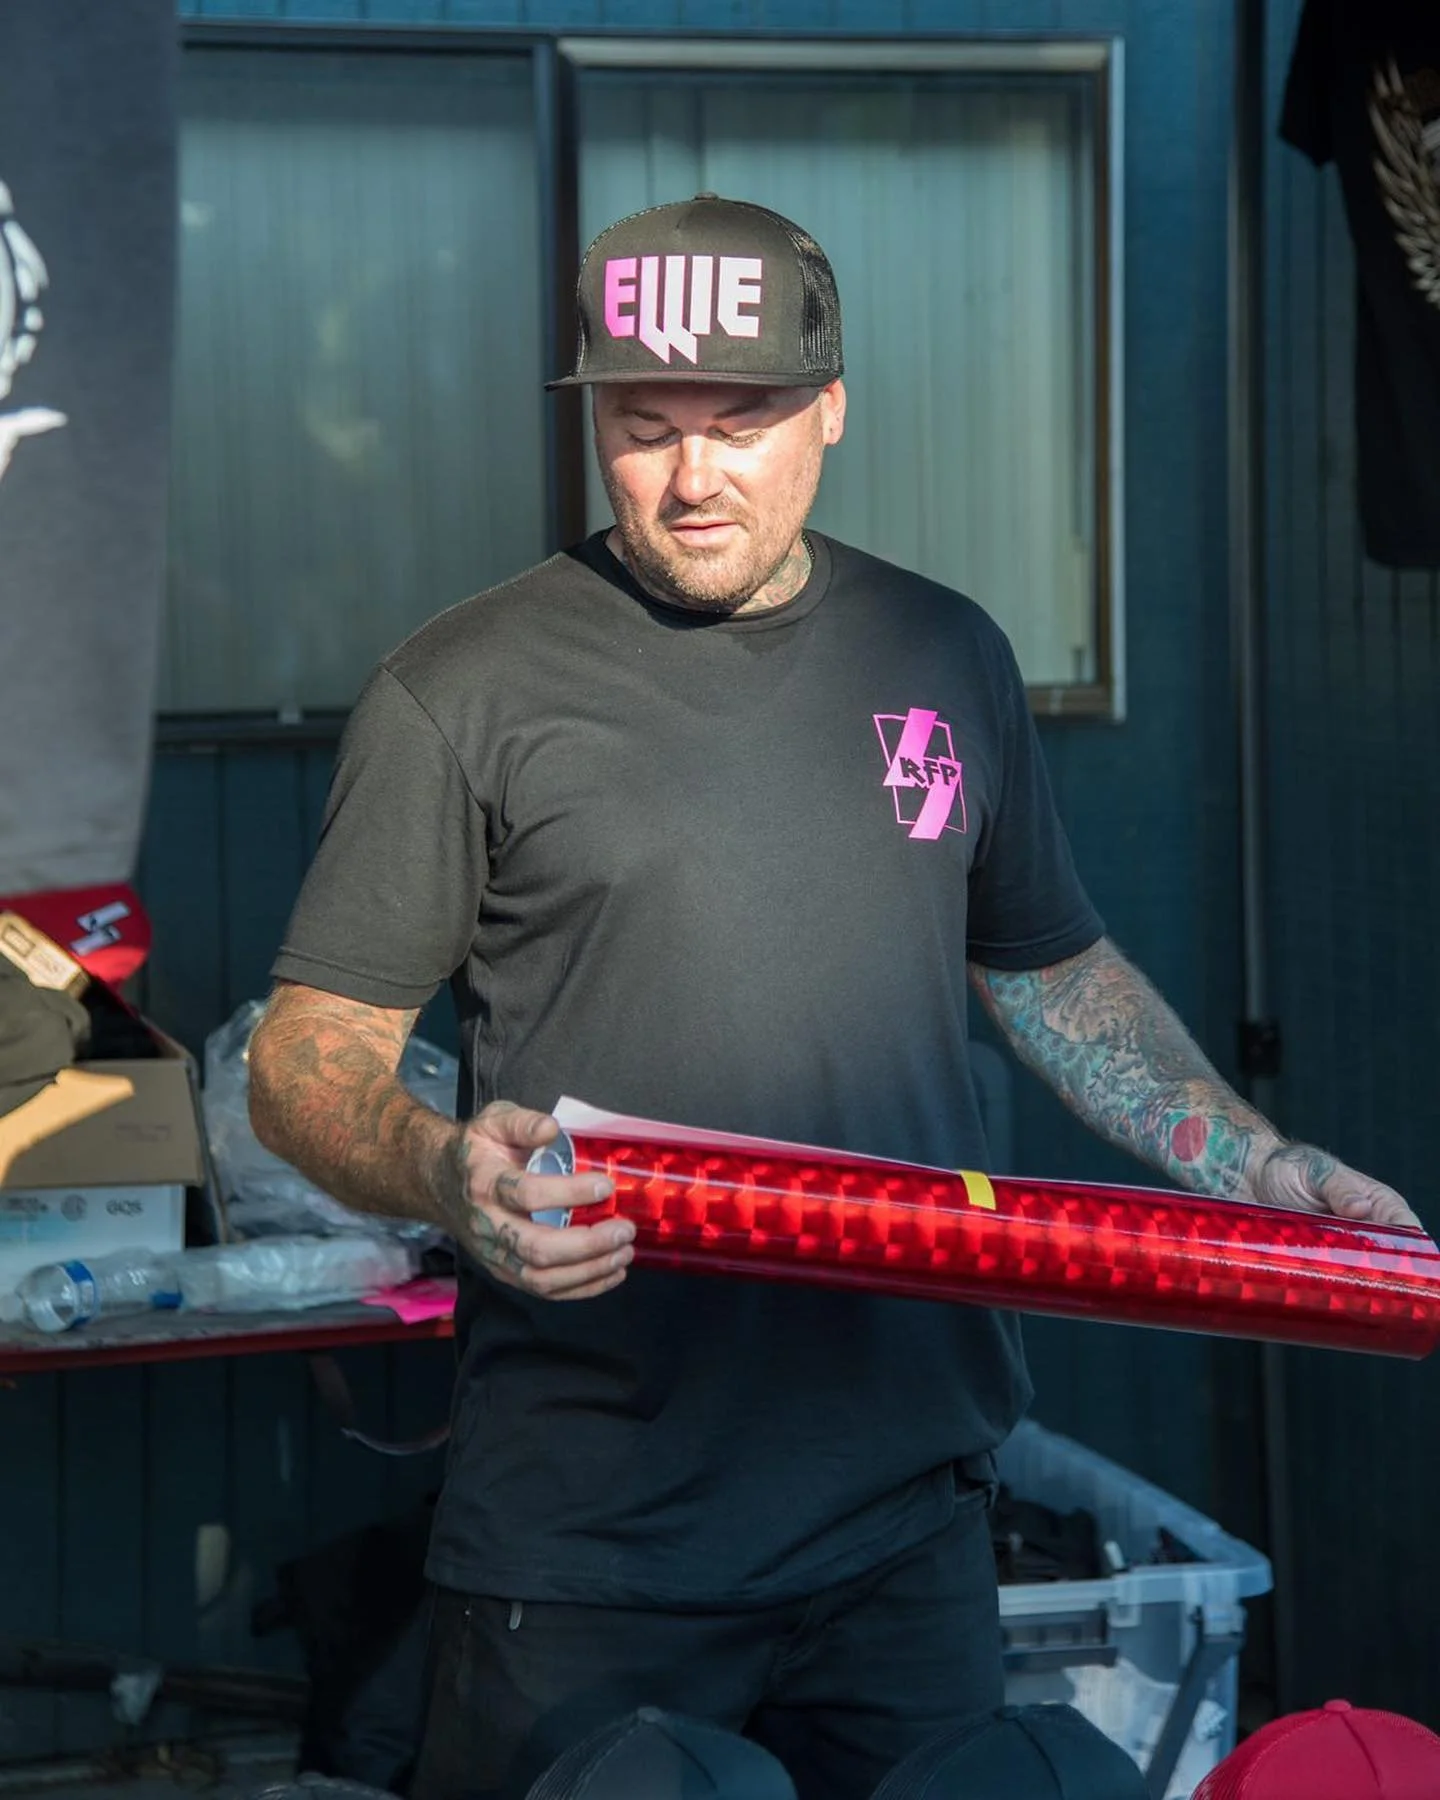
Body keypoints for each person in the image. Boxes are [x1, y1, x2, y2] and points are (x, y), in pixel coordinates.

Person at [247, 195, 1419, 1800]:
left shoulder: (943, 655)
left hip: (905, 1519)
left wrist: (1252, 1164)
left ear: (833, 409)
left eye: (741, 422)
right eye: (644, 427)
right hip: (598, 1542)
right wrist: (443, 1169)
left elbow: (1053, 972)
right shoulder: (461, 690)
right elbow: (304, 1060)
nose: (692, 477)